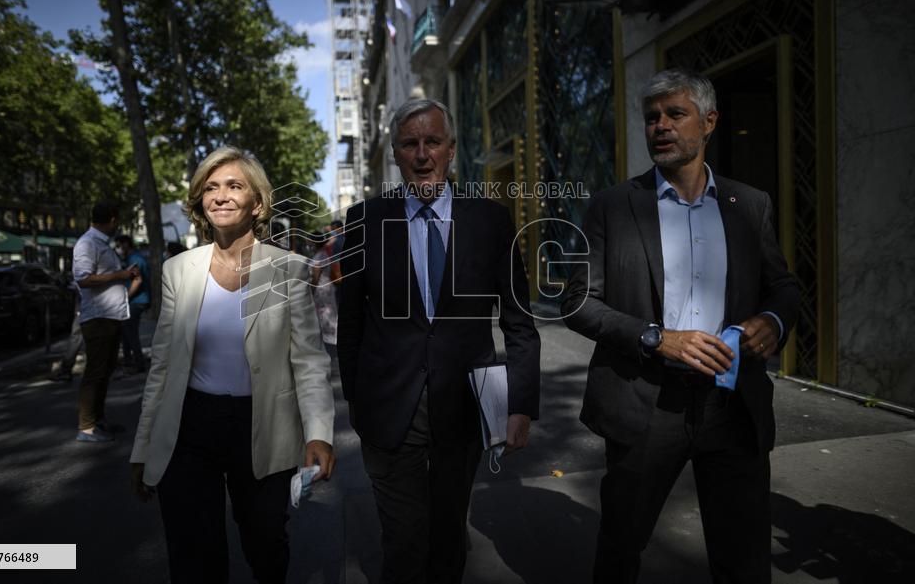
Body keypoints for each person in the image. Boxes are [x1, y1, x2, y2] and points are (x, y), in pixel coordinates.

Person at [560, 69, 800, 584]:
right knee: (621, 548)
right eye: (652, 118)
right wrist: (658, 339)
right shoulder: (613, 206)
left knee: (743, 557)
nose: (661, 126)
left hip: (731, 406)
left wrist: (772, 321)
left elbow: (783, 285)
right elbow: (576, 303)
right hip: (643, 406)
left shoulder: (749, 203)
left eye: (675, 114)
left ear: (709, 122)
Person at [337, 99, 541, 584]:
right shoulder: (364, 221)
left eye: (432, 142)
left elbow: (518, 322)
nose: (422, 154)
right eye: (410, 144)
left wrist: (520, 405)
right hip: (389, 410)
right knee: (404, 542)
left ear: (451, 149)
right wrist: (358, 402)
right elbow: (350, 326)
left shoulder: (490, 220)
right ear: (395, 154)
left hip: (464, 408)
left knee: (449, 536)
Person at [129, 146, 335, 584]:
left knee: (265, 545)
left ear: (256, 202)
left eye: (234, 186)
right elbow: (162, 366)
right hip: (189, 424)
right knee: (193, 554)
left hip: (261, 423)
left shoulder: (285, 270)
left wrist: (318, 432)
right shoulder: (179, 271)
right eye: (211, 187)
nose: (220, 196)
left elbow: (309, 360)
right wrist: (143, 446)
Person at [73, 201, 137, 443]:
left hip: (110, 316)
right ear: (111, 219)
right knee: (96, 372)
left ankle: (97, 420)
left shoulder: (100, 243)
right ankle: (87, 426)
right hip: (97, 318)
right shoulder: (87, 243)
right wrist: (120, 275)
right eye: (117, 221)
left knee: (104, 371)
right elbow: (83, 279)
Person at [115, 234, 150, 372]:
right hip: (137, 300)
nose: (119, 248)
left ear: (126, 244)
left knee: (130, 333)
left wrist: (125, 297)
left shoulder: (134, 259)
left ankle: (138, 363)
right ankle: (129, 361)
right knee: (126, 332)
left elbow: (138, 280)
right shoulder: (135, 257)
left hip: (136, 301)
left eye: (120, 245)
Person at [310, 229, 341, 359]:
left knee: (325, 318)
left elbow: (315, 277)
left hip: (321, 291)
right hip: (326, 289)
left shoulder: (319, 256)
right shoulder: (322, 254)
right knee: (328, 318)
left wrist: (310, 291)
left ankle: (330, 349)